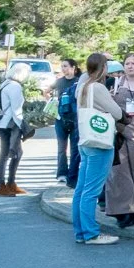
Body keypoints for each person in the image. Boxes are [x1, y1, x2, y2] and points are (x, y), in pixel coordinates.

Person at [72, 53, 122, 245]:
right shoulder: (98, 88)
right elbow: (117, 113)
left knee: (81, 189)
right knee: (91, 191)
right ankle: (91, 233)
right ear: (103, 68)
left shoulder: (82, 85)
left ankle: (81, 232)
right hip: (99, 142)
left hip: (85, 140)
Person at [105, 53, 134, 228]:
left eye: (133, 63)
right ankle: (120, 212)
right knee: (118, 173)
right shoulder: (114, 83)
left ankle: (132, 210)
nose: (130, 66)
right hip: (118, 133)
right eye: (127, 63)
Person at [0, 63, 31, 197]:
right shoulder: (15, 86)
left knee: (13, 153)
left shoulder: (5, 83)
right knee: (10, 153)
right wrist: (23, 125)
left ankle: (8, 184)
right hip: (10, 124)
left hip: (1, 122)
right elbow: (16, 109)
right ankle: (4, 185)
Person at [53, 58, 80, 187]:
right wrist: (52, 103)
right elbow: (47, 92)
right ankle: (61, 173)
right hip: (60, 118)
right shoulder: (59, 82)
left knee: (75, 148)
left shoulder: (79, 81)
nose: (63, 69)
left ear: (73, 67)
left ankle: (72, 175)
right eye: (62, 66)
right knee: (61, 148)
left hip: (75, 118)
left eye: (65, 66)